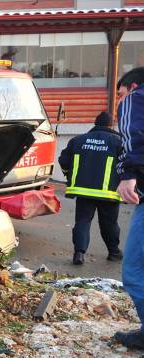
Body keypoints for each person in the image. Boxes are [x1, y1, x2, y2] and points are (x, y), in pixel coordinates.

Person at [58, 111, 124, 265]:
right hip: (109, 192)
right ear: (111, 124)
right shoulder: (118, 142)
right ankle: (114, 252)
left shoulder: (78, 140)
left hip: (83, 191)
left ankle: (79, 254)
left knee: (83, 221)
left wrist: (69, 175)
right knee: (109, 223)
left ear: (95, 123)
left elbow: (63, 161)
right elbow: (125, 164)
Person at [113, 67, 144, 358]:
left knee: (135, 271)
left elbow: (132, 136)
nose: (120, 101)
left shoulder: (136, 98)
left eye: (120, 94)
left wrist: (129, 174)